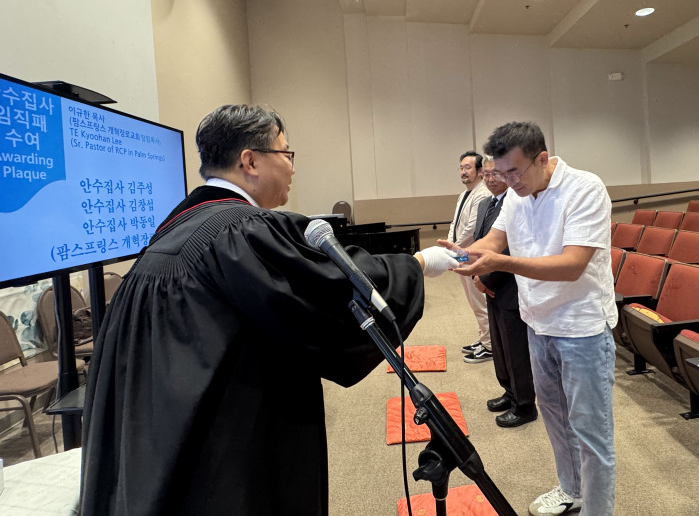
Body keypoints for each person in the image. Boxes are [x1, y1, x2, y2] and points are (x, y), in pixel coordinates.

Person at [79, 104, 458, 515]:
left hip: (158, 444)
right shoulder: (238, 232)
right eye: (286, 153)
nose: (293, 167)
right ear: (250, 161)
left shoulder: (172, 233)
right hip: (226, 448)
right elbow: (328, 295)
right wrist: (418, 264)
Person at [441, 122, 617, 516]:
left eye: (514, 172)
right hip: (538, 324)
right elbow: (494, 241)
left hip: (582, 329)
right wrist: (461, 254)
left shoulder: (585, 188)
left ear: (542, 159)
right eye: (500, 173)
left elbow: (572, 265)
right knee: (555, 418)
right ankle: (571, 489)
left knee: (591, 432)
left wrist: (501, 262)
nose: (508, 181)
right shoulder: (516, 194)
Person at [473, 156, 537, 428]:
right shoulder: (485, 204)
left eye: (495, 174)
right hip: (491, 287)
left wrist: (485, 277)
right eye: (486, 175)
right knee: (500, 347)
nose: (490, 179)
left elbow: (511, 247)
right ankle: (509, 392)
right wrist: (476, 273)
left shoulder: (517, 201)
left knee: (516, 350)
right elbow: (482, 242)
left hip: (509, 284)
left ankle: (524, 405)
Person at [448, 151, 493, 362]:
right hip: (461, 254)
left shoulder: (482, 194)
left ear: (480, 171)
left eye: (468, 167)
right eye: (461, 168)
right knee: (473, 300)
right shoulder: (464, 194)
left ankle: (490, 345)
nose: (463, 172)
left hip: (472, 254)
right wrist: (450, 245)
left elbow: (471, 229)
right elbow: (455, 224)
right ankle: (484, 337)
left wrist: (454, 248)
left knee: (479, 301)